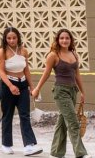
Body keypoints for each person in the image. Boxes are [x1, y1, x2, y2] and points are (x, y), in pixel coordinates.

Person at [31, 28, 87, 158]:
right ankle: (80, 153)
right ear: (58, 40)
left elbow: (77, 75)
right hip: (60, 91)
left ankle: (56, 153)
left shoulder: (74, 55)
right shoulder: (53, 55)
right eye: (62, 38)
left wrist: (82, 92)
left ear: (71, 40)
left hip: (73, 91)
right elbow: (46, 73)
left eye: (67, 38)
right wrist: (37, 88)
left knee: (62, 123)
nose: (64, 40)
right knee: (73, 122)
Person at [0, 27, 41, 155]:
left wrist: (32, 87)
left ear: (18, 38)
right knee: (7, 115)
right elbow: (1, 72)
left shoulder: (24, 51)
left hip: (23, 85)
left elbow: (27, 70)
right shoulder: (2, 52)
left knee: (25, 115)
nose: (11, 40)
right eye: (9, 38)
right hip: (8, 85)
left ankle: (29, 145)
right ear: (5, 39)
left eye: (14, 38)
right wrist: (10, 86)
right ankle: (6, 144)